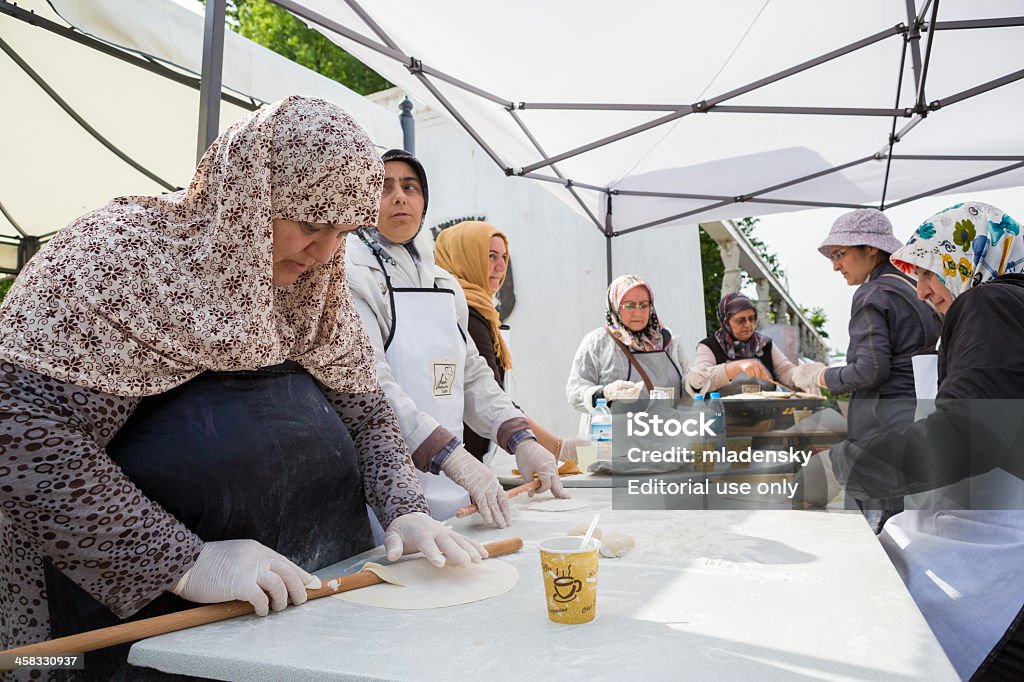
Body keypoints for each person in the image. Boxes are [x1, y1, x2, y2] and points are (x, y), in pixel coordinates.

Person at [0, 98, 483, 678]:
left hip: (302, 629)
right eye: (310, 224)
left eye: (345, 231)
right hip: (138, 637)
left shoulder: (313, 289)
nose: (328, 253)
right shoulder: (114, 264)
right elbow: (18, 430)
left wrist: (405, 508)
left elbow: (368, 414)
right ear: (247, 200)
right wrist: (178, 561)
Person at [817, 201, 1024, 680]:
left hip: (998, 565)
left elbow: (963, 436)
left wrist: (839, 468)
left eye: (932, 270)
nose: (924, 290)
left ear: (973, 259)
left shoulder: (991, 302)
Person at [346, 150, 567, 531]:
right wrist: (452, 456)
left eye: (410, 187)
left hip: (457, 491)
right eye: (384, 187)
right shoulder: (353, 273)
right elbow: (372, 385)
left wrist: (520, 437)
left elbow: (472, 376)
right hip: (384, 496)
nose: (399, 196)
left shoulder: (444, 284)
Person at [795, 208, 942, 531]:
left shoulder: (872, 293)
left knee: (877, 531)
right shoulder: (917, 289)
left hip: (879, 429)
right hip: (917, 421)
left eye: (840, 254)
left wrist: (820, 376)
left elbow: (870, 371)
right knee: (908, 528)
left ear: (871, 248)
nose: (835, 265)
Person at [433, 220, 575, 462]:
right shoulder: (468, 315)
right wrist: (556, 447)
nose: (500, 266)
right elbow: (490, 395)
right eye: (490, 256)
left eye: (504, 257)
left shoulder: (478, 310)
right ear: (462, 256)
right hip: (455, 466)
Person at [567, 274, 693, 412]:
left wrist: (694, 384)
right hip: (610, 431)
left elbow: (686, 390)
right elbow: (575, 392)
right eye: (629, 305)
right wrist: (604, 394)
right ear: (615, 305)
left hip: (664, 430)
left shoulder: (669, 341)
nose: (638, 312)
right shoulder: (598, 342)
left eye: (644, 305)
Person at [687, 292, 803, 396]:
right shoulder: (709, 347)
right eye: (740, 320)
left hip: (766, 416)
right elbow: (699, 381)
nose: (748, 325)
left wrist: (810, 376)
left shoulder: (765, 344)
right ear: (725, 322)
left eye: (752, 319)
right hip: (721, 416)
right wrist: (736, 367)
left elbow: (787, 372)